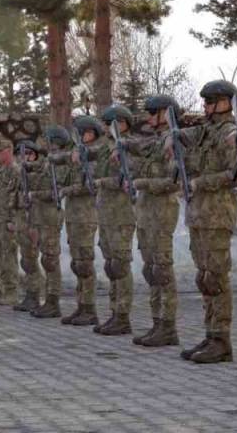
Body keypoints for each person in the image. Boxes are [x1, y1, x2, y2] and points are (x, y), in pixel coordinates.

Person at [175, 82, 237, 363]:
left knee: (216, 277)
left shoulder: (230, 132)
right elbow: (183, 140)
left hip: (217, 213)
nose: (206, 106)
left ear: (227, 102)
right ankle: (210, 332)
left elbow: (234, 174)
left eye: (211, 101)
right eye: (205, 102)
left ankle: (221, 339)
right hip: (198, 213)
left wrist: (200, 182)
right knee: (204, 277)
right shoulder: (204, 132)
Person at [129, 96, 183, 348]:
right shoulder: (155, 142)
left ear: (166, 113)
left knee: (162, 269)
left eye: (153, 113)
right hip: (146, 211)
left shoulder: (175, 140)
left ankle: (168, 325)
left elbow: (174, 180)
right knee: (151, 269)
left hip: (162, 211)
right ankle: (157, 322)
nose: (149, 118)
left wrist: (144, 184)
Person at [92, 105, 139, 336]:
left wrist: (102, 182)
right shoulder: (107, 147)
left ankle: (123, 315)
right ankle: (114, 312)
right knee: (111, 265)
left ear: (122, 123)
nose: (104, 128)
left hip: (121, 214)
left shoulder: (130, 145)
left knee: (120, 264)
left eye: (109, 123)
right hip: (106, 213)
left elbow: (126, 177)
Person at [56, 115, 106, 326]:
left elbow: (89, 185)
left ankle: (90, 309)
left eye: (81, 132)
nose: (78, 137)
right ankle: (81, 306)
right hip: (74, 216)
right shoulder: (80, 154)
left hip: (86, 216)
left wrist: (67, 189)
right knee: (78, 263)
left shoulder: (95, 155)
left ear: (90, 133)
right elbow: (65, 178)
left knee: (85, 263)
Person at [28, 127, 72, 318]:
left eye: (48, 140)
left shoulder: (61, 162)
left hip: (52, 215)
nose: (45, 144)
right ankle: (48, 300)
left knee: (51, 259)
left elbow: (57, 191)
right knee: (46, 258)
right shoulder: (48, 162)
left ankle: (53, 301)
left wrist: (35, 194)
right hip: (41, 216)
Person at [12, 141, 47, 312]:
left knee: (31, 260)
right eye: (20, 155)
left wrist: (34, 226)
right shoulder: (21, 173)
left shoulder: (38, 172)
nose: (22, 158)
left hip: (33, 220)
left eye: (26, 154)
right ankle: (30, 295)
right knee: (26, 260)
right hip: (21, 220)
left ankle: (35, 295)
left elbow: (39, 198)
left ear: (34, 155)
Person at [0, 143, 22, 306]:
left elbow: (16, 197)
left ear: (9, 151)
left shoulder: (14, 171)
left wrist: (12, 220)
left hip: (7, 222)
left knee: (8, 257)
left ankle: (12, 292)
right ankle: (4, 290)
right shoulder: (0, 171)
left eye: (0, 152)